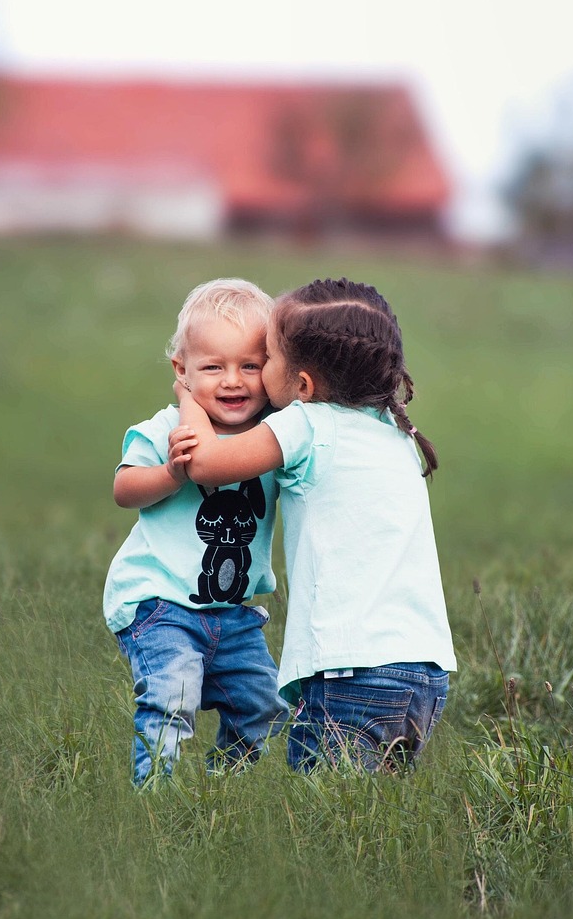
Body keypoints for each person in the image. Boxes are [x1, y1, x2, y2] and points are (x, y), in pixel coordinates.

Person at [170, 277, 455, 773]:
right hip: (425, 674)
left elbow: (204, 463)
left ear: (302, 386)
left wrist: (188, 392)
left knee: (326, 827)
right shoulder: (395, 431)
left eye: (267, 358)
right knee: (374, 824)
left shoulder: (306, 424)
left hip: (349, 673)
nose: (257, 375)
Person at [103, 278, 288, 786]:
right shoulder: (167, 428)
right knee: (172, 697)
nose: (234, 381)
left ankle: (221, 790)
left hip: (234, 615)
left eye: (250, 365)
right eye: (213, 367)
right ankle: (155, 802)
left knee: (264, 710)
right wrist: (171, 473)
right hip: (160, 603)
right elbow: (124, 488)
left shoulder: (273, 436)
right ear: (181, 371)